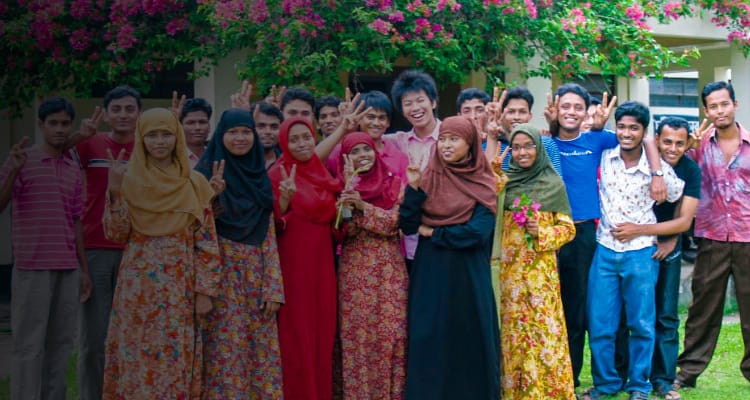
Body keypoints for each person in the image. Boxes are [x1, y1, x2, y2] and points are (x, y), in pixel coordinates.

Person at [547, 83, 666, 389]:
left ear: (586, 112)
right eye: (565, 106)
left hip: (587, 234)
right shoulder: (546, 143)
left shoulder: (598, 140)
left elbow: (642, 137)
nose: (571, 112)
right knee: (564, 310)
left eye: (578, 107)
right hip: (549, 231)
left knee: (596, 313)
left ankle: (618, 376)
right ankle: (569, 378)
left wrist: (656, 173)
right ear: (555, 109)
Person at [101, 108, 221, 399]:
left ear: (176, 137)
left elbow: (207, 242)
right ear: (141, 139)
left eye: (166, 134)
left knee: (175, 353)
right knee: (136, 353)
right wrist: (115, 192)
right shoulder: (127, 181)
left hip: (179, 288)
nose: (159, 142)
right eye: (151, 135)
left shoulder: (194, 183)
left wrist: (204, 292)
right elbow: (116, 234)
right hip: (137, 289)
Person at [583, 101, 684, 400]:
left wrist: (657, 173)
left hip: (640, 253)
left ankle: (639, 385)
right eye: (622, 127)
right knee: (600, 323)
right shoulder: (605, 157)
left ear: (644, 132)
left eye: (634, 128)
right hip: (605, 248)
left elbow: (677, 193)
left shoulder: (657, 168)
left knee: (641, 324)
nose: (626, 133)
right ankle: (605, 383)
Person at [399, 116, 500, 399]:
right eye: (442, 139)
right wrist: (413, 189)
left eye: (454, 139)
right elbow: (408, 224)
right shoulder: (427, 177)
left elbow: (477, 233)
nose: (446, 145)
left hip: (468, 275)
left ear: (470, 144)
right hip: (431, 273)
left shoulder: (483, 181)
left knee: (468, 336)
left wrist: (433, 233)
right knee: (430, 335)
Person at [1, 97, 92, 400]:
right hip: (32, 268)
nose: (60, 129)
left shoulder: (72, 168)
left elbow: (76, 221)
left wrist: (84, 269)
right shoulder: (22, 160)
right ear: (41, 125)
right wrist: (13, 171)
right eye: (53, 123)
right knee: (29, 346)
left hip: (67, 268)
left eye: (65, 123)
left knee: (61, 346)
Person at [196, 108, 285, 399]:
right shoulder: (203, 175)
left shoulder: (259, 178)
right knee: (224, 351)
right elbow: (195, 232)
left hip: (256, 277)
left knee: (259, 352)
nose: (240, 138)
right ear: (220, 136)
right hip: (219, 276)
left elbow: (268, 234)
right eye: (232, 132)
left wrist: (273, 288)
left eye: (246, 132)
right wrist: (210, 197)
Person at [610, 117, 701, 400]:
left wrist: (670, 238)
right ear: (657, 140)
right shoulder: (644, 159)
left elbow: (685, 219)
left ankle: (663, 379)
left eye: (680, 143)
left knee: (665, 314)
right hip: (633, 246)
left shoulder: (690, 170)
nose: (673, 148)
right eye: (667, 142)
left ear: (688, 144)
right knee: (628, 314)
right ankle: (623, 375)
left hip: (666, 245)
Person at [674, 81, 750, 392]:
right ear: (706, 110)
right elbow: (676, 176)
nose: (720, 111)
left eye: (724, 104)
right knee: (702, 309)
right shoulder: (699, 146)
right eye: (713, 106)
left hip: (748, 238)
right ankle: (687, 371)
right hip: (711, 237)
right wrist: (686, 151)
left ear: (735, 105)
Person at [70, 85, 141, 400]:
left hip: (135, 249)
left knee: (133, 335)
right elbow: (57, 160)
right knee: (94, 338)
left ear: (138, 113)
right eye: (117, 109)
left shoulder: (147, 148)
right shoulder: (91, 144)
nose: (123, 115)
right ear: (107, 114)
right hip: (95, 249)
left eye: (129, 109)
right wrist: (78, 136)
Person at [498, 123, 576, 399]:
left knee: (543, 331)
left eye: (528, 146)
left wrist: (541, 231)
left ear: (539, 148)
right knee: (513, 333)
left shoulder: (553, 183)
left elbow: (568, 229)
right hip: (509, 274)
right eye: (516, 147)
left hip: (541, 276)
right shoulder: (504, 183)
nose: (522, 153)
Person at [268, 117, 341, 399]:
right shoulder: (278, 175)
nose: (302, 144)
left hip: (323, 267)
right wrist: (284, 202)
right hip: (293, 267)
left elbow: (337, 228)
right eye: (294, 139)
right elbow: (271, 227)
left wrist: (346, 207)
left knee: (322, 334)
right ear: (284, 143)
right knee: (297, 336)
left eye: (306, 137)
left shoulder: (322, 172)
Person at [336, 132, 408, 399]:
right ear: (346, 158)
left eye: (366, 149)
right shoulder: (341, 187)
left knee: (391, 336)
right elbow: (343, 232)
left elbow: (393, 223)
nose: (362, 155)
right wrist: (347, 200)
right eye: (354, 152)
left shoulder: (394, 183)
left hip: (389, 273)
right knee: (358, 338)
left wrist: (362, 207)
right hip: (355, 274)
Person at [387, 70, 442, 270]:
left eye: (420, 100)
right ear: (402, 110)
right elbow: (364, 143)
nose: (415, 108)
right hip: (409, 242)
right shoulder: (396, 142)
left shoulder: (451, 137)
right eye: (408, 103)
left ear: (433, 102)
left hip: (444, 238)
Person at [325, 91, 409, 181]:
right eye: (370, 117)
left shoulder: (399, 158)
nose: (376, 123)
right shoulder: (339, 153)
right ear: (359, 118)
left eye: (381, 118)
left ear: (388, 122)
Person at [484, 86, 563, 176]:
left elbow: (556, 181)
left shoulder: (546, 145)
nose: (516, 117)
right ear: (502, 114)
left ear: (530, 116)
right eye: (511, 112)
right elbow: (486, 179)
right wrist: (492, 137)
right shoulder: (487, 147)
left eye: (522, 112)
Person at [181, 98, 213, 167]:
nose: (197, 127)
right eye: (190, 123)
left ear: (209, 127)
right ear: (180, 127)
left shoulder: (216, 156)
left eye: (202, 122)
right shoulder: (173, 158)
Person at [253, 101, 284, 168]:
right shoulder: (237, 163)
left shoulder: (287, 163)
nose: (268, 132)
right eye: (261, 126)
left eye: (274, 127)